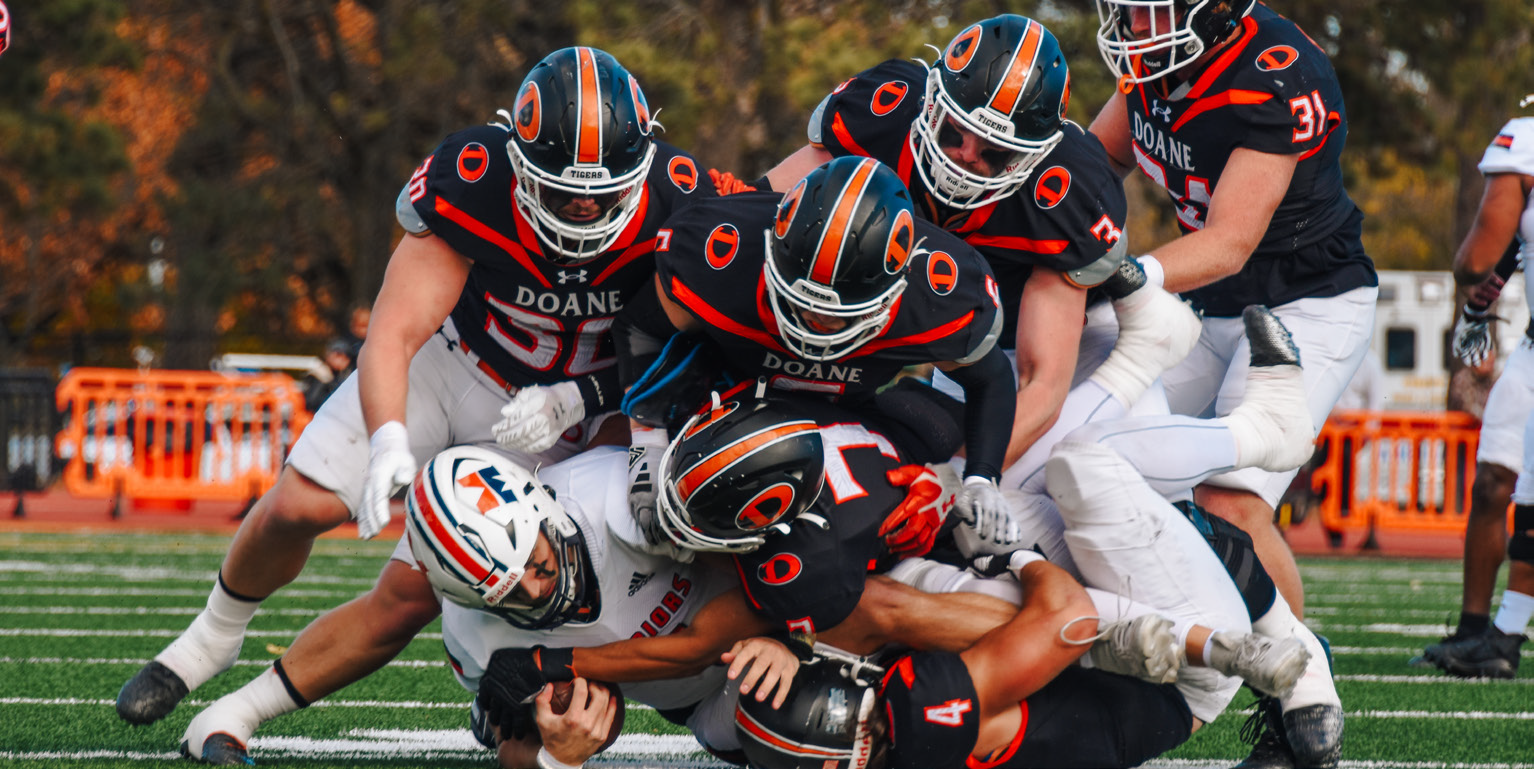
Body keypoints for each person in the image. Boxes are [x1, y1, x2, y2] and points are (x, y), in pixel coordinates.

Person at [115, 46, 714, 727]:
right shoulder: (473, 177)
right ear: (518, 164)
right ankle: (210, 638)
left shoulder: (684, 198)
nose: (581, 210)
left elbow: (678, 350)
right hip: (450, 363)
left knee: (410, 594)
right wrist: (391, 438)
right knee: (300, 503)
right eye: (560, 190)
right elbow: (393, 333)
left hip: (554, 421)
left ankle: (244, 712)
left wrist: (586, 402)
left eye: (599, 192)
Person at [733, 308, 1335, 769]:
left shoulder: (910, 725)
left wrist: (788, 642)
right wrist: (1009, 555)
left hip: (1123, 653)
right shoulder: (920, 708)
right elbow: (1061, 618)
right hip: (1177, 660)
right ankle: (1260, 434)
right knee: (1084, 465)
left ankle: (1143, 356)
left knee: (957, 544)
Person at [761, 15, 1200, 491]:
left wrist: (954, 482)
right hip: (962, 342)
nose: (967, 155)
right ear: (931, 103)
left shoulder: (1064, 191)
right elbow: (769, 217)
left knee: (1091, 491)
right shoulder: (884, 111)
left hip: (1063, 354)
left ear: (1036, 153)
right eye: (955, 131)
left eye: (996, 150)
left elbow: (1041, 385)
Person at [1088, 0, 1379, 625]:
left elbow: (1229, 242)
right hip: (1204, 301)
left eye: (1151, 12)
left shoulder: (1273, 72)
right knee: (1088, 445)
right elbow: (1095, 163)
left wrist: (1117, 277)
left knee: (1230, 504)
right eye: (1127, 10)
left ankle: (1303, 689)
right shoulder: (1155, 64)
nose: (1134, 27)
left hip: (1305, 300)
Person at [616, 155, 1024, 545]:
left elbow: (990, 381)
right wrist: (647, 435)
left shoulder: (938, 293)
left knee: (935, 450)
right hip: (726, 396)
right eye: (803, 303)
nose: (819, 322)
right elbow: (642, 327)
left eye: (840, 313)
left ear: (897, 286)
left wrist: (978, 479)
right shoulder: (721, 250)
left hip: (856, 408)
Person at [1415, 109, 1534, 679]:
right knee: (1495, 481)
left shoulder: (1523, 143)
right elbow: (1499, 255)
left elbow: (1474, 258)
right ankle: (1476, 630)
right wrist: (1479, 307)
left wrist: (1472, 277)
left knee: (1530, 496)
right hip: (1532, 350)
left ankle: (1507, 636)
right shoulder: (1526, 140)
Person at [300, 338, 355, 413]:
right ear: (328, 355)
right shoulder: (319, 374)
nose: (343, 359)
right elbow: (311, 403)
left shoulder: (344, 375)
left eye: (347, 356)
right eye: (338, 355)